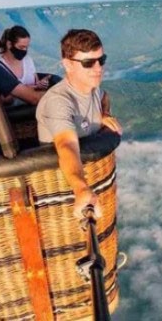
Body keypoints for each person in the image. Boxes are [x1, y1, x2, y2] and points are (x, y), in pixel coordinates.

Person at [36, 29, 122, 219]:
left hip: (94, 181)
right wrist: (81, 188)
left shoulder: (92, 87)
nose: (98, 68)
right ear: (68, 65)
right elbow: (66, 145)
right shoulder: (59, 102)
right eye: (88, 63)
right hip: (62, 191)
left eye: (102, 60)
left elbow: (104, 96)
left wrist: (104, 114)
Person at [0, 25, 50, 90]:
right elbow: (4, 98)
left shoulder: (28, 60)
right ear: (9, 44)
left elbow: (36, 82)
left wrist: (41, 84)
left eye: (26, 47)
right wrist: (35, 87)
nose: (24, 50)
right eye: (21, 47)